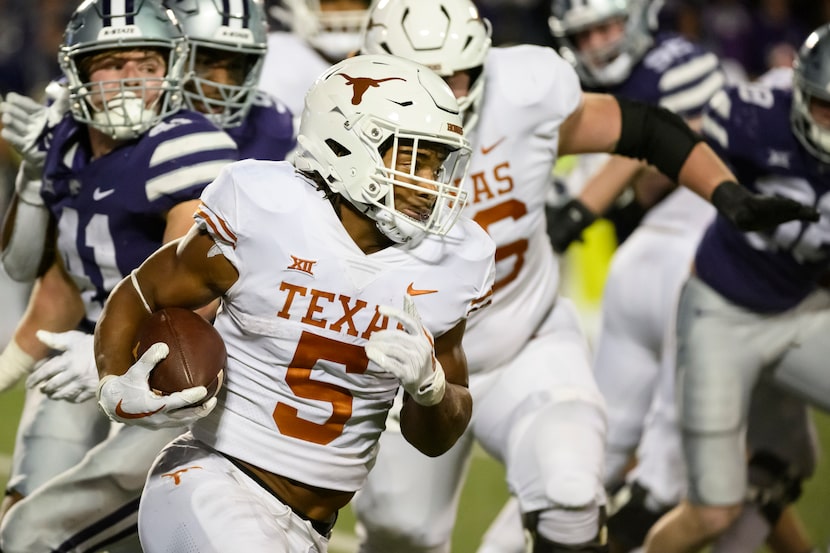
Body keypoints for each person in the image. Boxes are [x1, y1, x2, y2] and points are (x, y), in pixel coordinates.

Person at [350, 0, 817, 552]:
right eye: (428, 77)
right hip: (407, 367)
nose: (449, 93)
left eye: (459, 73)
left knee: (570, 491)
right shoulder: (343, 133)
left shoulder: (521, 90)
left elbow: (641, 129)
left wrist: (724, 192)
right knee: (400, 532)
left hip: (526, 338)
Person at [92, 52, 496, 552]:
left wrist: (431, 389)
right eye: (415, 158)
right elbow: (142, 290)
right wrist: (111, 380)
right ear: (348, 143)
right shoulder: (268, 213)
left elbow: (434, 439)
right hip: (214, 483)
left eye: (439, 163)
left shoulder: (453, 261)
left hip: (311, 529)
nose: (430, 184)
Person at [0, 1, 298, 551]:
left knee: (63, 532)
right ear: (79, 71)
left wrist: (111, 363)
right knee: (24, 510)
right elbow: (52, 282)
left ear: (170, 68)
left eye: (145, 64)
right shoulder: (65, 137)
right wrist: (31, 176)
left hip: (160, 354)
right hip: (78, 345)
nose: (129, 81)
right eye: (112, 64)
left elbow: (191, 291)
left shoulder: (191, 144)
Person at [536, 1, 820, 552]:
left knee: (730, 470)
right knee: (710, 477)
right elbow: (663, 140)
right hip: (712, 284)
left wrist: (574, 212)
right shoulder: (603, 88)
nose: (595, 45)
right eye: (584, 34)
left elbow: (671, 138)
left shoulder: (677, 66)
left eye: (605, 28)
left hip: (708, 271)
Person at [641, 22, 830, 553]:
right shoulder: (752, 116)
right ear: (799, 94)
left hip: (804, 307)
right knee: (712, 511)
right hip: (721, 313)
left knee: (780, 468)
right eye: (824, 105)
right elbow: (669, 138)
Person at [259, 0, 370, 121]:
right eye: (330, 2)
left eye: (358, 1)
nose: (345, 9)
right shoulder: (274, 59)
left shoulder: (385, 55)